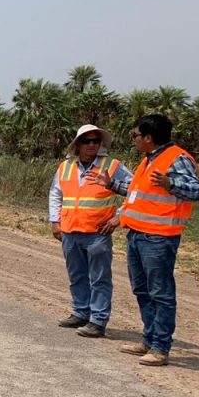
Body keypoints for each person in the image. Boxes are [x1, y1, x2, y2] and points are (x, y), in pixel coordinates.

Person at [98, 114, 199, 366]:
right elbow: (139, 193)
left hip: (159, 238)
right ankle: (149, 339)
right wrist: (113, 185)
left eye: (135, 135)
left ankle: (160, 347)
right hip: (137, 234)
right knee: (142, 290)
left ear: (148, 137)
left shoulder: (177, 158)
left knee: (161, 293)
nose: (133, 140)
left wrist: (170, 183)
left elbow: (196, 190)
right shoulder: (149, 160)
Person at [49, 124, 133, 338]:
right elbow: (56, 195)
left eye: (96, 141)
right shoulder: (65, 167)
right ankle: (80, 312)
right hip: (70, 231)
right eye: (87, 141)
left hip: (98, 233)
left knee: (99, 278)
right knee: (77, 276)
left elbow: (136, 191)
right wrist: (54, 221)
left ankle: (98, 320)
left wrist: (119, 217)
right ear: (78, 144)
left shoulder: (112, 166)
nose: (92, 145)